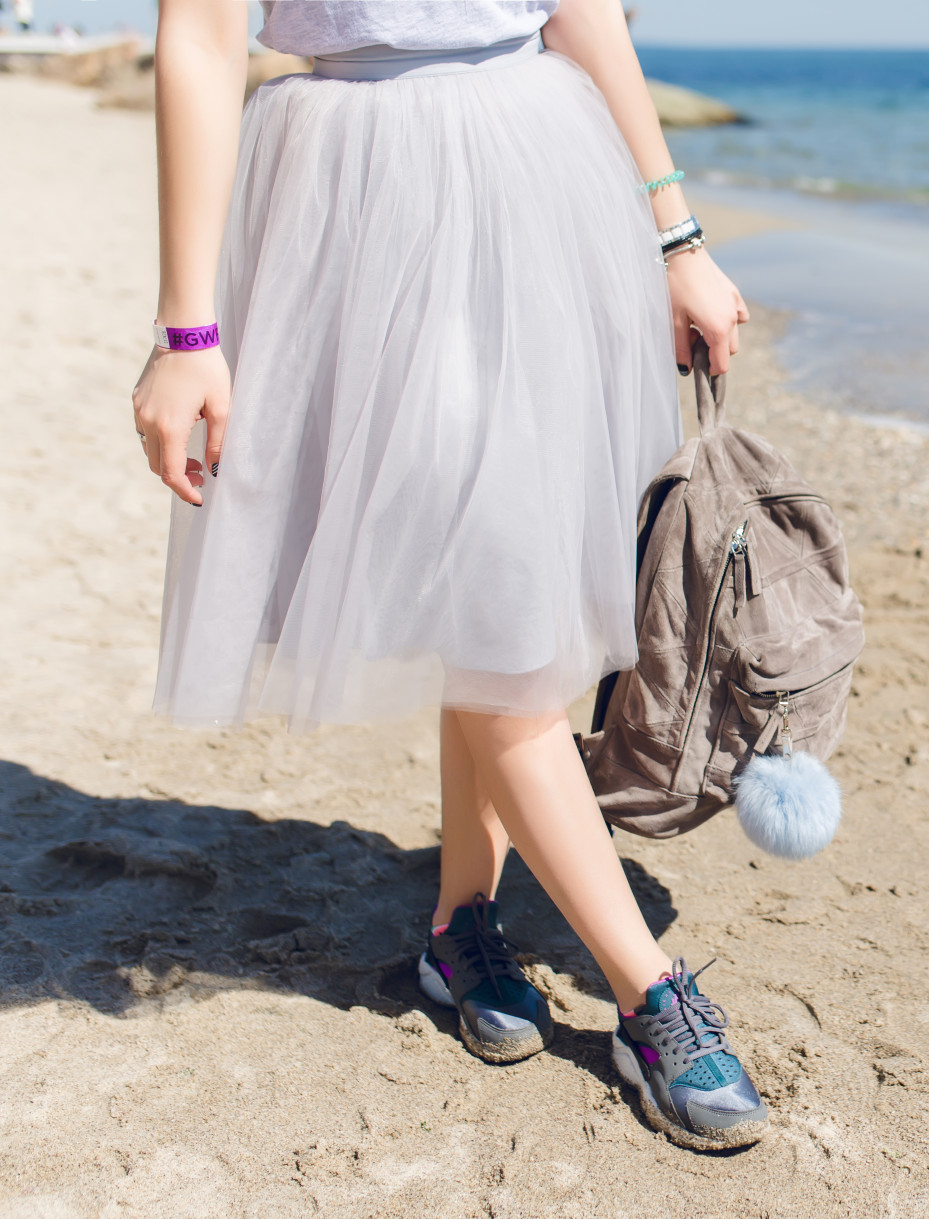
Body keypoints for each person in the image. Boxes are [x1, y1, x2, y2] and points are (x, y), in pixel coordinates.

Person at [129, 0, 767, 1152]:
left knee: (505, 586)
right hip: (356, 194)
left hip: (538, 172)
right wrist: (187, 332)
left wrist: (677, 238)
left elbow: (580, 10)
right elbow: (203, 37)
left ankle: (462, 922)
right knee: (508, 627)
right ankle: (647, 992)